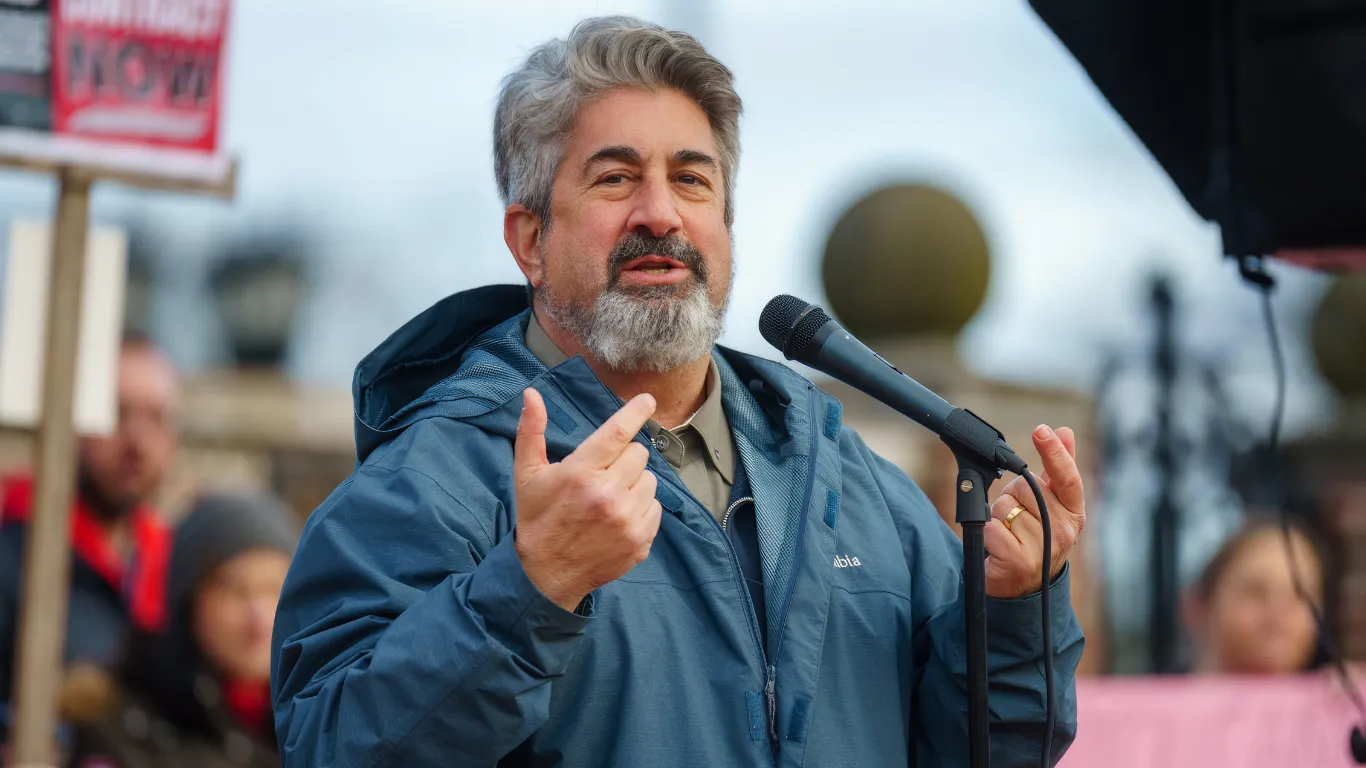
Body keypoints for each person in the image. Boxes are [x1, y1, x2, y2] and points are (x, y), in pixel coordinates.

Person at [271, 16, 1087, 767]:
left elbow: (983, 750)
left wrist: (1016, 611)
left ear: (726, 227)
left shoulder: (851, 478)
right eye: (616, 178)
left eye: (692, 181)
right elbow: (334, 747)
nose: (659, 213)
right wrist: (531, 590)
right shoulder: (428, 485)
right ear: (530, 239)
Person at [0, 334, 181, 709]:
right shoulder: (13, 554)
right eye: (116, 413)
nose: (138, 441)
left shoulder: (177, 562)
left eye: (157, 418)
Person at [64, 491, 298, 768]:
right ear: (189, 601)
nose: (260, 617)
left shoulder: (322, 711)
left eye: (276, 589)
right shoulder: (121, 718)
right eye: (235, 590)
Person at [1185, 516, 1325, 675]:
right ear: (1197, 606)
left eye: (1301, 595)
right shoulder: (1155, 698)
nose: (1279, 613)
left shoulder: (1341, 695)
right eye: (1256, 593)